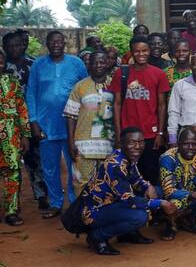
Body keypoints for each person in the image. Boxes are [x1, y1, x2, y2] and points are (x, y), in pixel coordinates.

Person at [79, 127, 178, 255]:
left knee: (157, 191)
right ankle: (97, 236)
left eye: (141, 142)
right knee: (140, 216)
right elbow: (129, 201)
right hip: (95, 211)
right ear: (122, 143)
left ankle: (127, 233)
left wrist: (148, 186)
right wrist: (161, 203)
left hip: (113, 203)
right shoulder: (115, 166)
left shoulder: (126, 156)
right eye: (132, 142)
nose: (138, 146)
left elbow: (136, 179)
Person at [27, 31, 87, 217]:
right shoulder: (38, 65)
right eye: (52, 41)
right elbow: (31, 93)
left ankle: (75, 202)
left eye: (59, 41)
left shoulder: (76, 63)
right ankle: (55, 203)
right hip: (46, 126)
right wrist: (34, 121)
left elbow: (86, 88)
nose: (56, 44)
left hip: (72, 126)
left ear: (64, 43)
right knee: (50, 167)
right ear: (47, 43)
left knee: (74, 165)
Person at [108, 36, 169, 186]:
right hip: (128, 134)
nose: (141, 54)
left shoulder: (159, 74)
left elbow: (162, 106)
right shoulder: (121, 74)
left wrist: (160, 133)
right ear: (131, 53)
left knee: (150, 174)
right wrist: (118, 134)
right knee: (126, 174)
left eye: (144, 50)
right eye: (137, 51)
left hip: (150, 134)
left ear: (149, 51)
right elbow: (116, 104)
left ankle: (151, 207)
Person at [64, 50, 115, 195]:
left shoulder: (114, 85)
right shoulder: (80, 87)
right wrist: (70, 142)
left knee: (108, 182)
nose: (98, 65)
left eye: (102, 62)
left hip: (108, 145)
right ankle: (82, 214)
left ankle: (102, 215)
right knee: (82, 182)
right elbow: (70, 116)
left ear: (108, 64)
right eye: (95, 62)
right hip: (84, 145)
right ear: (89, 65)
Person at [159, 127, 196, 239]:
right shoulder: (168, 158)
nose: (191, 148)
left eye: (194, 144)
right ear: (178, 144)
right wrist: (192, 194)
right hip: (174, 198)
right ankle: (170, 223)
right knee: (173, 204)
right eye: (186, 144)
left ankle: (190, 220)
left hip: (195, 196)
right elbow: (168, 191)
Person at [0, 49, 30, 226]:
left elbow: (22, 108)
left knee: (12, 172)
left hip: (11, 135)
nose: (0, 63)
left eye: (1, 60)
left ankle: (11, 211)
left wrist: (25, 134)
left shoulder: (12, 81)